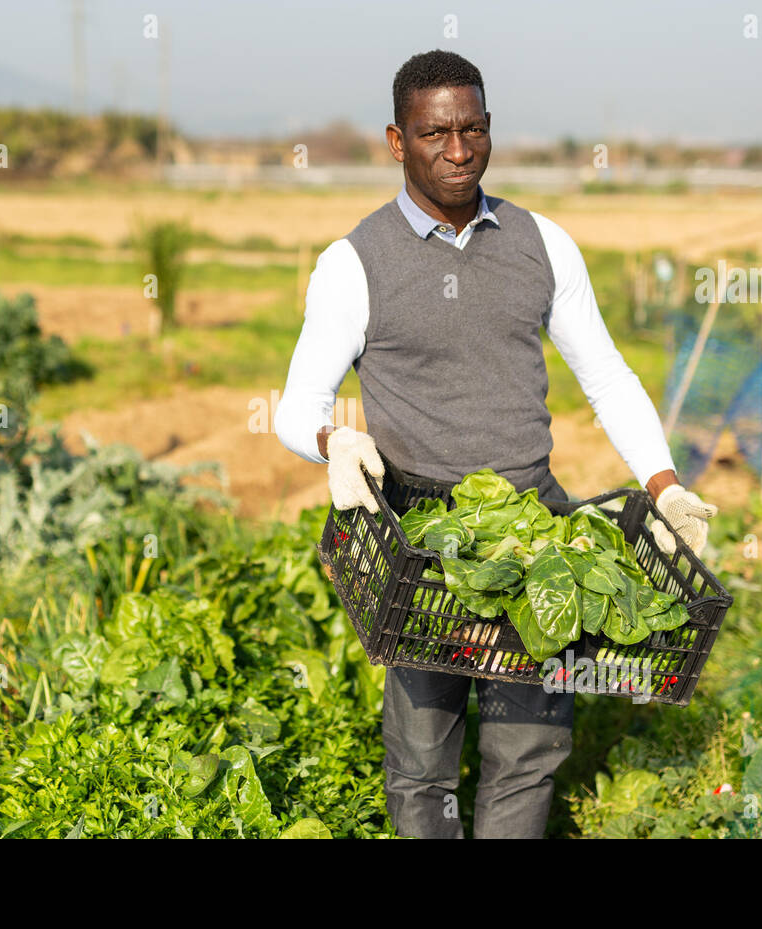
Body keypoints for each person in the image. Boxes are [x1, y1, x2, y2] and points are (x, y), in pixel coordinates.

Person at [274, 49, 718, 838]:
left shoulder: (542, 243)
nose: (457, 149)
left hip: (534, 531)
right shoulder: (354, 263)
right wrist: (331, 443)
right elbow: (297, 404)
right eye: (434, 131)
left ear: (489, 129)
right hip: (418, 543)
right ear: (395, 140)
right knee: (421, 758)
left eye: (472, 128)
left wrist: (664, 484)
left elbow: (608, 377)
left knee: (530, 748)